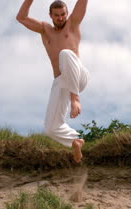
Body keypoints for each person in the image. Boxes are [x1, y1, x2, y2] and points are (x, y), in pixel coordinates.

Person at [16, 0, 89, 163]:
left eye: (63, 14)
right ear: (51, 16)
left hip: (78, 76)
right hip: (61, 81)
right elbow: (21, 17)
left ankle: (75, 99)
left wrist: (74, 99)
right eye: (56, 15)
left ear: (67, 13)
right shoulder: (45, 29)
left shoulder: (73, 24)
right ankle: (75, 141)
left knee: (65, 53)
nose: (60, 18)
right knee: (50, 128)